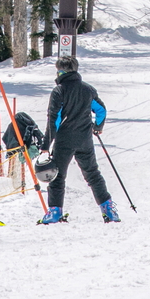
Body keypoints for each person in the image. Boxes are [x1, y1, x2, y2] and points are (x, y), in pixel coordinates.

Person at [40, 56, 120, 224]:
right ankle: (108, 210)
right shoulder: (88, 89)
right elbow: (101, 111)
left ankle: (55, 212)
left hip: (64, 140)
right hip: (85, 139)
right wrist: (97, 127)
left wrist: (46, 144)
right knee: (92, 174)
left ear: (61, 71)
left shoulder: (59, 91)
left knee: (57, 176)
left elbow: (53, 120)